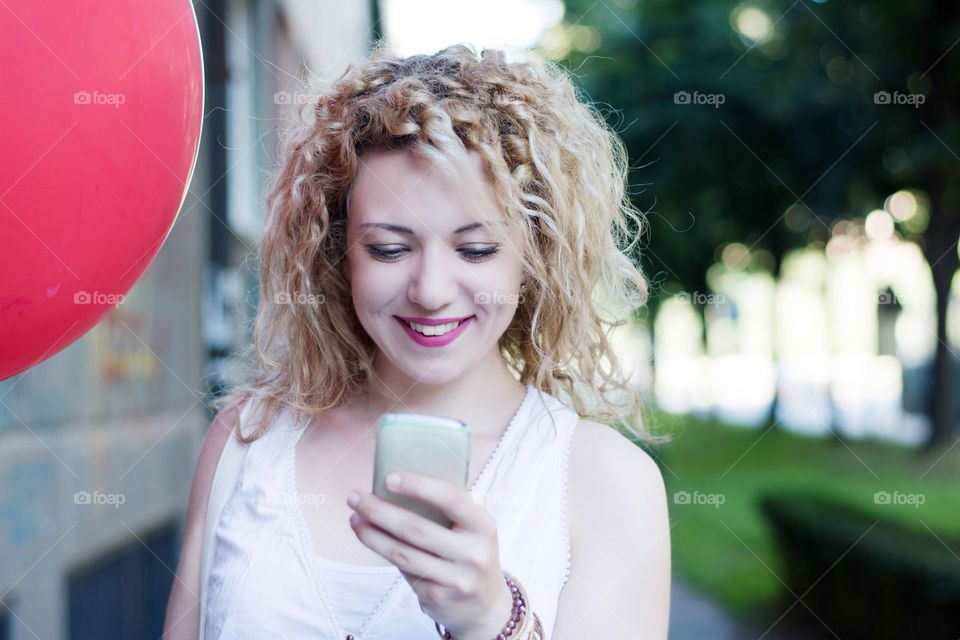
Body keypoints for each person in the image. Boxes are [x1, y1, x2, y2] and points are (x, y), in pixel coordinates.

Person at [164, 42, 670, 640]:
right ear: (338, 254)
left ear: (532, 257)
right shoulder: (245, 442)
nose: (430, 291)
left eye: (476, 249)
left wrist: (491, 621)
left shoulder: (605, 480)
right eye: (389, 248)